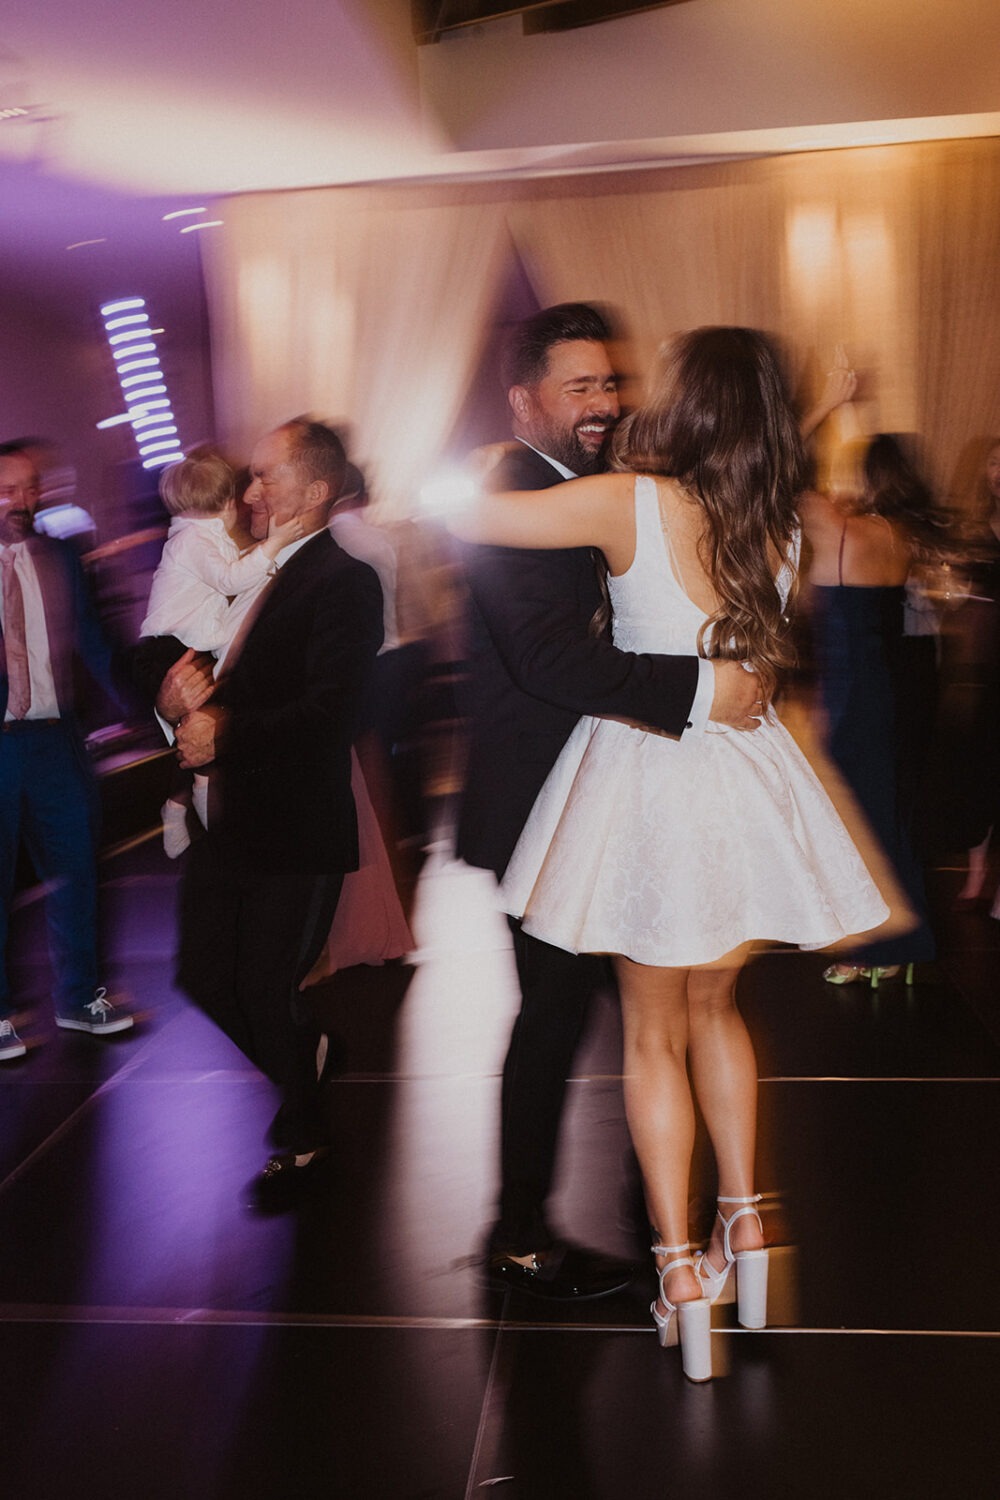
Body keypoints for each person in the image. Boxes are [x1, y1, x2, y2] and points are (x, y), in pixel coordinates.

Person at [452, 326, 889, 1380]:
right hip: (743, 785)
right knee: (717, 1016)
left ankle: (678, 1270)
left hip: (647, 781)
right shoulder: (774, 517)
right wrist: (817, 415)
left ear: (682, 405)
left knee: (648, 1041)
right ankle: (746, 1227)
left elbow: (461, 517)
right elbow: (756, 464)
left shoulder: (627, 499)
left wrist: (458, 472)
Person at [455, 304, 766, 1303]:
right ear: (525, 399)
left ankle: (655, 1222)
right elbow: (548, 660)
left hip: (606, 796)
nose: (603, 404)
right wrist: (697, 693)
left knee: (644, 1013)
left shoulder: (592, 486)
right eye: (579, 386)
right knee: (562, 1015)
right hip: (541, 800)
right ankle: (524, 1231)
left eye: (609, 383)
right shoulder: (510, 487)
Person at [149, 419, 384, 1201]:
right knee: (204, 975)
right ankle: (307, 1057)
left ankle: (304, 1132)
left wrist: (227, 730)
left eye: (266, 478)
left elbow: (332, 714)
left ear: (315, 492)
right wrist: (172, 697)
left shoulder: (342, 580)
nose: (249, 493)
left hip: (295, 825)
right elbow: (192, 668)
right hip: (230, 819)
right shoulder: (256, 573)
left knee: (261, 986)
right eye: (251, 479)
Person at [0, 442, 133, 1061]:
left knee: (79, 866)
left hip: (56, 738)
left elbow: (98, 646)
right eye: (8, 490)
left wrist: (151, 717)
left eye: (30, 487)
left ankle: (79, 998)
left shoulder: (62, 557)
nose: (23, 500)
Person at [800, 433, 939, 985]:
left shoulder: (837, 526)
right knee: (882, 815)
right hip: (884, 686)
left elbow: (784, 475)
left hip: (846, 690)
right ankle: (899, 942)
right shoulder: (897, 533)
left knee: (856, 821)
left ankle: (877, 946)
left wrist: (823, 408)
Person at [140, 444, 305, 855]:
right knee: (198, 744)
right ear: (227, 504)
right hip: (174, 647)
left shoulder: (197, 538)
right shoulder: (193, 541)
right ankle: (194, 816)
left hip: (188, 645)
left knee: (199, 743)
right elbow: (232, 580)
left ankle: (189, 809)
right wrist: (278, 542)